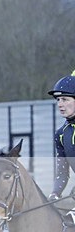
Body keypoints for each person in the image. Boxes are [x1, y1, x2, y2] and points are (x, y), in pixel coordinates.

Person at [47, 71, 75, 201]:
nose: (60, 104)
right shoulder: (61, 134)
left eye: (65, 99)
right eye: (58, 100)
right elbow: (62, 175)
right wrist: (54, 194)